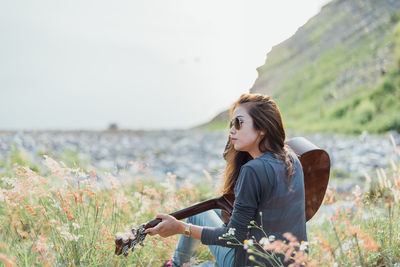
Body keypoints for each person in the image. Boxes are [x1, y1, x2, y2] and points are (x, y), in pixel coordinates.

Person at [145, 93, 307, 267]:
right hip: (293, 262)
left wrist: (180, 228)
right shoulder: (291, 159)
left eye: (239, 123)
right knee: (204, 213)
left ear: (262, 128)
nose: (231, 130)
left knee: (205, 254)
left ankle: (176, 264)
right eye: (231, 124)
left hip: (252, 263)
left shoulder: (253, 170)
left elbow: (234, 236)